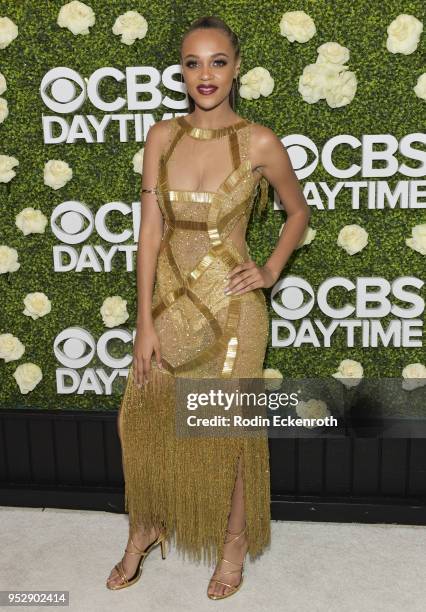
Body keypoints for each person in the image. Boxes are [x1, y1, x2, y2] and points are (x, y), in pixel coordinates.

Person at [106, 15, 310, 600]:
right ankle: (146, 526)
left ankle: (233, 542)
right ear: (181, 70)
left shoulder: (259, 142)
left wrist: (269, 270)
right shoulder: (161, 138)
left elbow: (298, 213)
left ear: (237, 68)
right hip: (167, 304)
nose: (205, 74)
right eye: (193, 62)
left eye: (217, 61)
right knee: (138, 418)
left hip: (233, 312)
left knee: (227, 429)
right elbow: (149, 232)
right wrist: (144, 319)